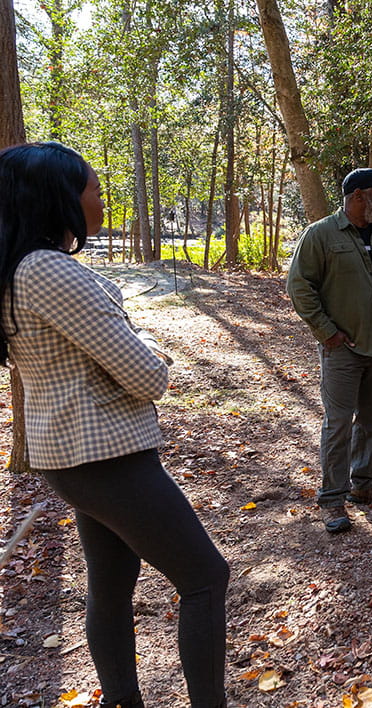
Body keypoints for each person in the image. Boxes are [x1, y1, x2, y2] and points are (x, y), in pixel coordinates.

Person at [0, 142, 229, 707]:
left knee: (111, 583)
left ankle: (122, 701)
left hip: (74, 457)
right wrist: (153, 348)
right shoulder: (50, 271)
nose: (100, 199)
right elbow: (148, 376)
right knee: (205, 577)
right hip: (104, 458)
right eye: (92, 188)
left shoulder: (22, 268)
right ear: (58, 197)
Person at [287, 168, 372, 534]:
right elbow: (300, 287)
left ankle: (363, 484)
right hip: (342, 350)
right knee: (339, 423)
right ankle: (332, 499)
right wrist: (327, 333)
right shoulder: (321, 234)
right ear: (358, 196)